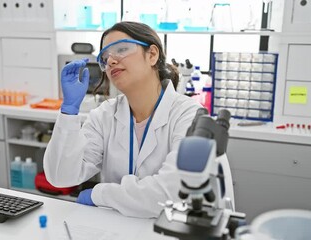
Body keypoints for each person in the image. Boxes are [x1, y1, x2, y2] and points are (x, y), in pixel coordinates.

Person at [43, 21, 201, 218]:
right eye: (105, 57)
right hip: (118, 231)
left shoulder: (188, 114)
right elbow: (60, 176)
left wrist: (100, 194)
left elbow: (174, 193)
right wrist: (68, 111)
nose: (111, 61)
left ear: (152, 55)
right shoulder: (104, 115)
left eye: (121, 49)